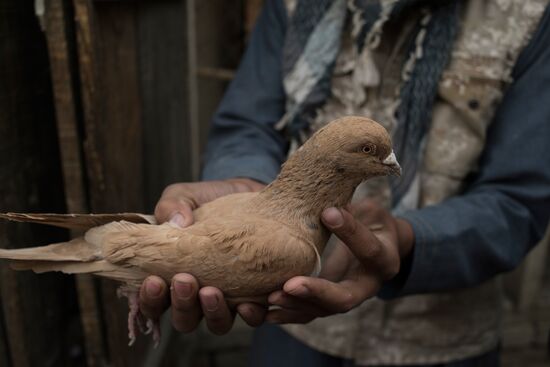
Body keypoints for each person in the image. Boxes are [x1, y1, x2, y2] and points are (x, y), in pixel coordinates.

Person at [139, 0, 550, 365]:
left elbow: (518, 199)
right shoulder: (292, 5)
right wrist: (249, 190)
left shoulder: (530, 15)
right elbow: (247, 122)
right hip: (290, 321)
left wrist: (411, 239)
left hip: (443, 335)